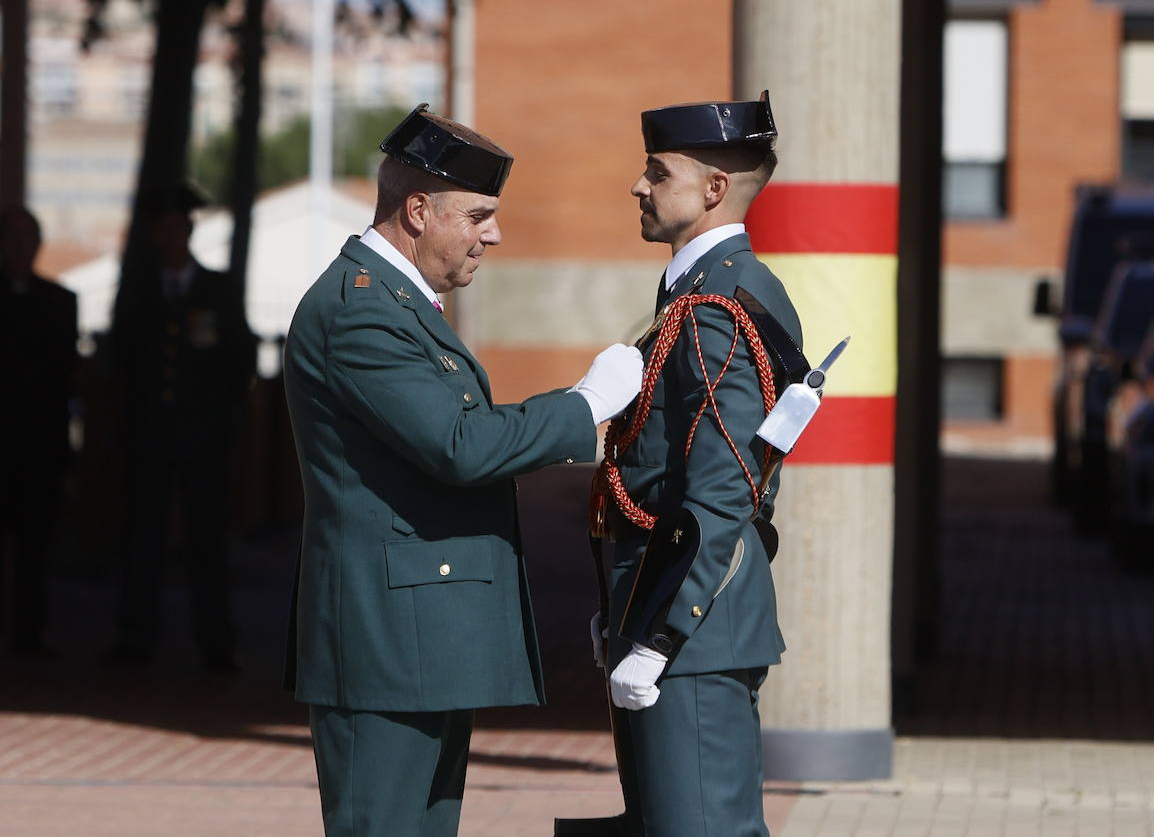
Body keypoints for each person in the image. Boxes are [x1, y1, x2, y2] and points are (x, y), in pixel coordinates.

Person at [282, 103, 644, 836]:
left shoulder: (396, 302)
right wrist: (583, 405)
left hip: (418, 632)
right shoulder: (361, 311)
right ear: (418, 210)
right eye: (478, 215)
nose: (494, 234)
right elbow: (460, 444)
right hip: (387, 638)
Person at [565, 92, 805, 837]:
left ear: (712, 190)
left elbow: (725, 484)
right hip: (666, 611)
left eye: (656, 172)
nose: (638, 186)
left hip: (690, 633)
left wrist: (663, 633)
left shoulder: (717, 304)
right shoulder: (697, 294)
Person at [104, 184, 257, 671]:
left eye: (178, 227)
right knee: (142, 540)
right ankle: (135, 638)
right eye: (162, 229)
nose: (170, 236)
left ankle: (216, 643)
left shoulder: (217, 289)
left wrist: (221, 425)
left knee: (206, 542)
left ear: (189, 230)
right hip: (148, 441)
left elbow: (240, 362)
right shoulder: (139, 294)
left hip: (202, 443)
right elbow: (120, 368)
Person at [0, 208, 78, 658]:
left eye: (28, 237)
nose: (20, 246)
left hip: (39, 447)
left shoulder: (59, 301)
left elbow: (63, 376)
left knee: (35, 548)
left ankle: (29, 634)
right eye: (12, 237)